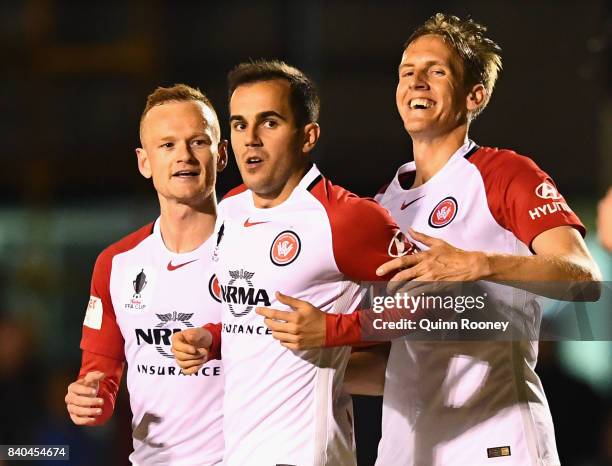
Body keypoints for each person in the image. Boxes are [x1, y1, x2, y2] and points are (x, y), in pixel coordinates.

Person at [256, 13, 602, 466]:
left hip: (497, 441)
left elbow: (584, 279)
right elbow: (395, 363)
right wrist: (288, 363)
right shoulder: (383, 204)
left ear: (473, 96)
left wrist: (477, 264)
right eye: (407, 72)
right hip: (407, 449)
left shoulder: (505, 173)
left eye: (435, 71)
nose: (416, 81)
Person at [171, 60, 417, 466]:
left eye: (268, 123)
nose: (250, 139)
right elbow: (254, 317)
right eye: (238, 124)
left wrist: (338, 329)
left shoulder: (346, 218)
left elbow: (445, 303)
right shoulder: (229, 210)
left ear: (308, 136)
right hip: (238, 454)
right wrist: (212, 339)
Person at [64, 84, 228, 465]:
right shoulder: (116, 262)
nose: (184, 156)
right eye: (167, 145)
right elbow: (99, 375)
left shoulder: (255, 252)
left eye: (198, 142)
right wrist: (89, 399)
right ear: (144, 161)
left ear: (221, 155)